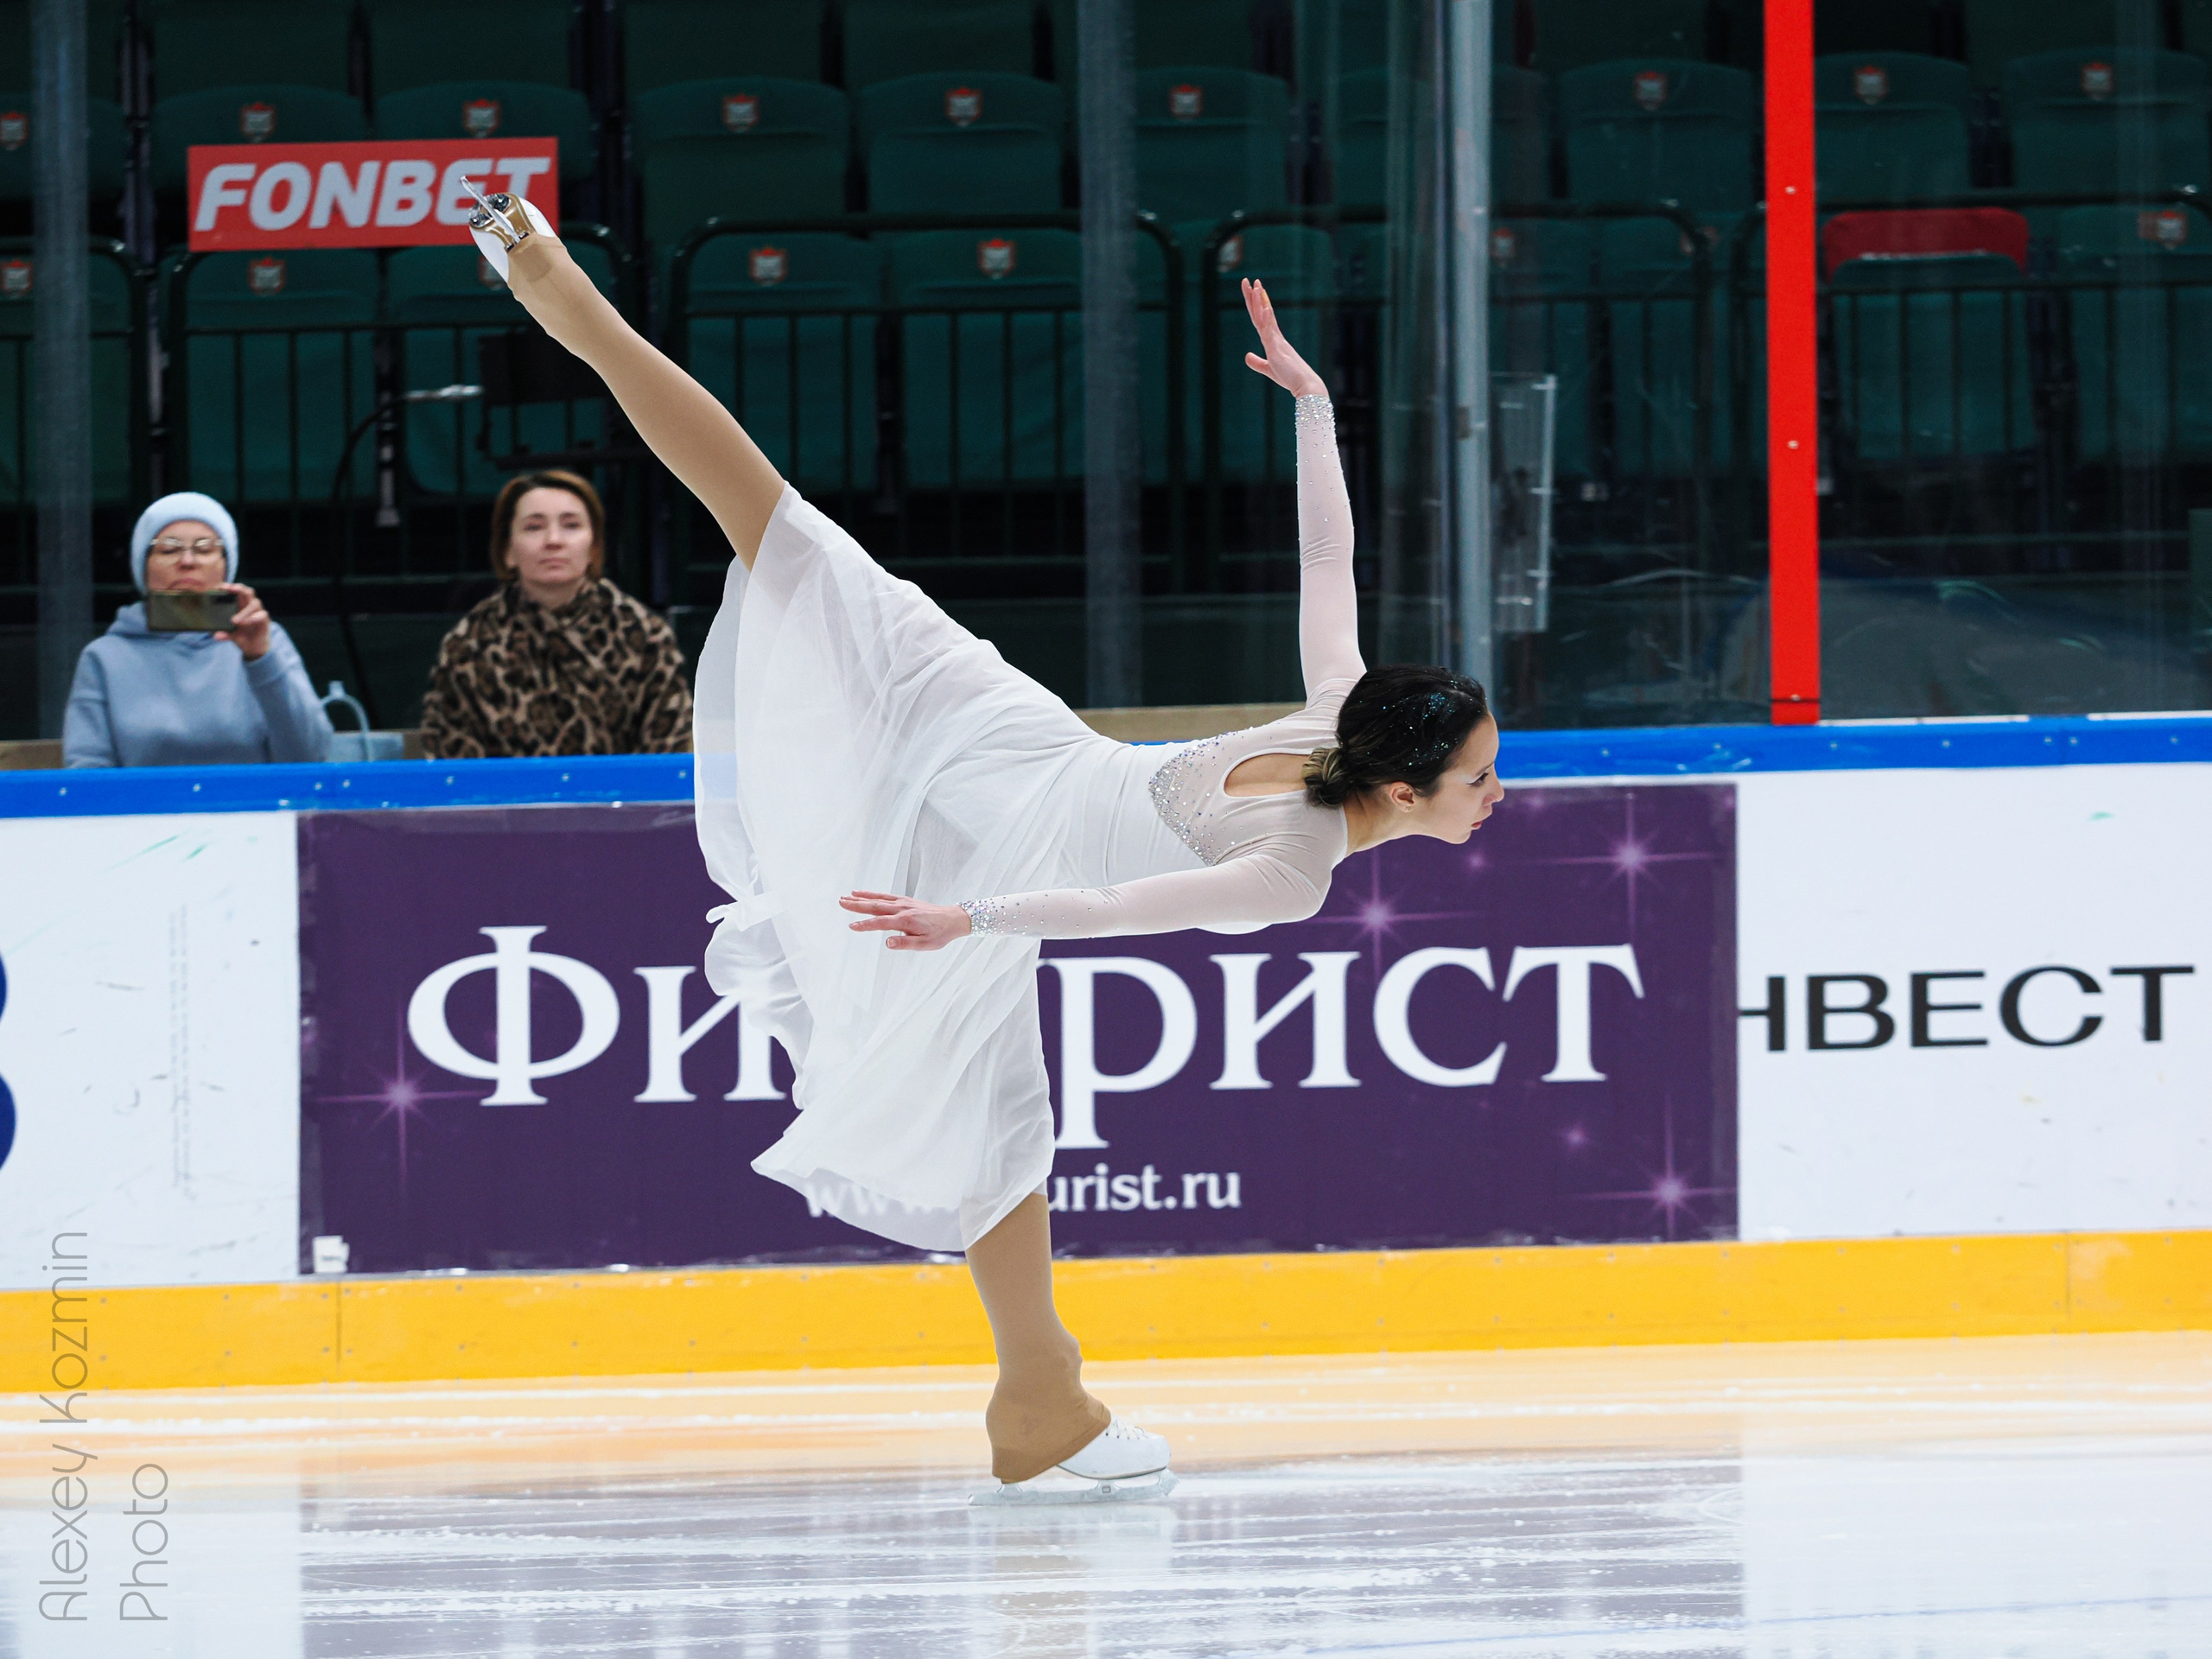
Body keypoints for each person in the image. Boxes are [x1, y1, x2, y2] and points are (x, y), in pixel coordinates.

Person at [471, 194, 1505, 1494]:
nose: (1494, 796)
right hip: (1014, 849)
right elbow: (1112, 907)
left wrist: (1314, 409)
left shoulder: (1332, 706)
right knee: (1000, 1123)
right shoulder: (1297, 869)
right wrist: (968, 923)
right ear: (1405, 792)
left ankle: (571, 303)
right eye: (1480, 779)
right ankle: (1040, 1400)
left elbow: (1326, 553)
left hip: (1014, 743)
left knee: (786, 529)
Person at [417, 469, 693, 760]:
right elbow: (454, 772)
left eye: (571, 525)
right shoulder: (468, 647)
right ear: (507, 550)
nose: (554, 540)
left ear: (594, 547)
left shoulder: (646, 637)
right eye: (534, 527)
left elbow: (665, 761)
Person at [63, 492, 334, 768]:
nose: (188, 561)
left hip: (252, 810)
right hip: (144, 811)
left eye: (205, 549)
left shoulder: (267, 639)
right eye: (169, 549)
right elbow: (87, 772)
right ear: (143, 567)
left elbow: (310, 756)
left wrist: (261, 660)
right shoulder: (104, 657)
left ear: (227, 565)